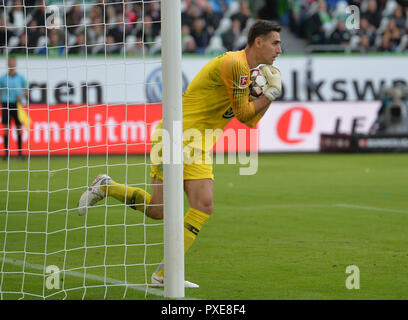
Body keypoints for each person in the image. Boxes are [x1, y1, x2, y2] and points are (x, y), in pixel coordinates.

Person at [78, 20, 283, 287]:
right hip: (175, 135)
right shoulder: (235, 64)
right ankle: (107, 187)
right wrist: (272, 93)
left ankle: (164, 274)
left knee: (203, 205)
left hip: (198, 143)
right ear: (259, 42)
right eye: (275, 42)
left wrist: (268, 96)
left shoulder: (247, 73)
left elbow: (249, 121)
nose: (280, 49)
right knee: (158, 210)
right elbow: (245, 112)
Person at [0, 56, 28, 160]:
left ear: (15, 64)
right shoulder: (3, 78)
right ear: (8, 64)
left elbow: (27, 90)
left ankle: (20, 153)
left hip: (17, 104)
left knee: (19, 129)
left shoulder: (21, 77)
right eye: (10, 62)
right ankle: (6, 154)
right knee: (6, 129)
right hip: (6, 104)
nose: (11, 64)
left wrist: (21, 96)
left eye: (13, 62)